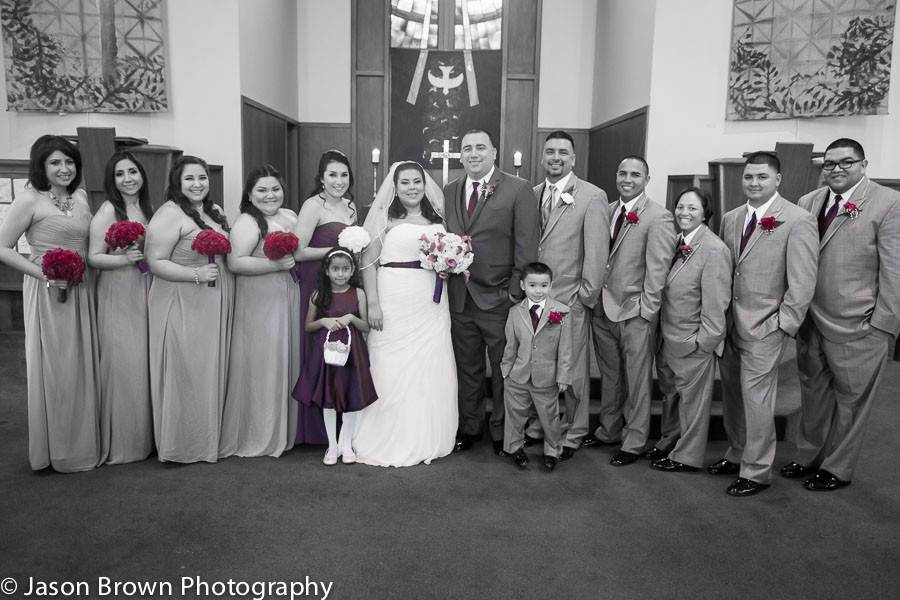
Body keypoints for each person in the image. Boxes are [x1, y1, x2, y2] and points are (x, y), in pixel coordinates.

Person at [780, 138, 900, 491]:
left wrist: (883, 326)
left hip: (859, 323)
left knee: (852, 402)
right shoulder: (808, 202)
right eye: (829, 164)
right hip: (811, 320)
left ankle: (837, 468)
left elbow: (895, 271)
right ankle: (808, 455)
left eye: (845, 162)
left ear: (864, 164)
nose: (836, 170)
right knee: (813, 394)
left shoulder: (888, 203)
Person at [709, 151, 818, 496]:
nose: (753, 183)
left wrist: (784, 324)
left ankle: (756, 471)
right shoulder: (730, 217)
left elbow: (802, 283)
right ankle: (737, 451)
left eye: (761, 177)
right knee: (732, 395)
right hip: (729, 324)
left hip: (766, 326)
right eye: (748, 177)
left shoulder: (797, 220)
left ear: (777, 180)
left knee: (757, 399)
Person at [0, 135, 101, 472]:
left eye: (69, 162)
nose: (64, 169)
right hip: (48, 290)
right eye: (55, 162)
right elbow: (3, 247)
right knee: (57, 366)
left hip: (82, 288)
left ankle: (83, 443)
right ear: (41, 165)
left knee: (81, 364)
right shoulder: (29, 200)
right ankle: (57, 449)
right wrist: (44, 274)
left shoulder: (81, 197)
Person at [353, 161, 458, 467]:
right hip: (393, 294)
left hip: (432, 300)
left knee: (431, 361)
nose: (412, 187)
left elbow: (447, 252)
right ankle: (386, 431)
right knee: (391, 362)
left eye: (417, 182)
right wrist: (373, 303)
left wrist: (450, 265)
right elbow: (368, 263)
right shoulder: (384, 218)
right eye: (405, 183)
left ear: (425, 186)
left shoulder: (438, 218)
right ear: (395, 188)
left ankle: (426, 433)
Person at [443, 129, 540, 455]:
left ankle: (503, 433)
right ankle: (470, 428)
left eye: (480, 148)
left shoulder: (517, 189)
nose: (473, 154)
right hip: (460, 297)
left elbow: (527, 246)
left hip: (499, 298)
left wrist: (514, 293)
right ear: (460, 155)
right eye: (467, 148)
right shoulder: (450, 189)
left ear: (494, 152)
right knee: (467, 368)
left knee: (503, 370)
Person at [583, 156, 676, 466]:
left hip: (635, 311)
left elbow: (658, 270)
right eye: (622, 172)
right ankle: (609, 428)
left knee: (637, 380)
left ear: (646, 179)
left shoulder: (658, 217)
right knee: (610, 376)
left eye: (635, 174)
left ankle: (634, 439)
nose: (627, 178)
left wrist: (646, 312)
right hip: (602, 309)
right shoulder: (606, 210)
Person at [145, 155, 233, 464]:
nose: (198, 184)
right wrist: (194, 274)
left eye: (203, 178)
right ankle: (180, 444)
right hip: (179, 299)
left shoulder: (215, 211)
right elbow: (154, 262)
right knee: (183, 370)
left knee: (205, 369)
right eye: (190, 179)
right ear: (177, 183)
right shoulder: (169, 214)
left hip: (211, 299)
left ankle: (205, 437)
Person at [526, 130, 608, 460]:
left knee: (572, 371)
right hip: (536, 298)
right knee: (539, 366)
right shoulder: (531, 194)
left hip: (571, 298)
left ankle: (573, 431)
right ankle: (538, 426)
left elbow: (597, 252)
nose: (555, 157)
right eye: (550, 152)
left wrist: (585, 297)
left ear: (573, 158)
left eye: (562, 152)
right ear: (542, 157)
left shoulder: (591, 196)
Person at [219, 165, 300, 459]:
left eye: (275, 189)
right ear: (250, 195)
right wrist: (275, 265)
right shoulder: (247, 222)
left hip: (285, 294)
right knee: (262, 363)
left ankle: (282, 429)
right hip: (259, 300)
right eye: (262, 190)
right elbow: (236, 263)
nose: (270, 195)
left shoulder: (290, 217)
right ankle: (257, 432)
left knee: (282, 358)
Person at [650, 188, 731, 473]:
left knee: (694, 404)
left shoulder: (714, 249)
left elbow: (716, 303)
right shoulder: (676, 241)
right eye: (681, 207)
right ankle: (669, 440)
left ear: (706, 213)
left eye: (692, 209)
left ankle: (687, 456)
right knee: (670, 394)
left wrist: (704, 343)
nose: (684, 213)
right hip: (667, 336)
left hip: (692, 340)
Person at [87, 151, 154, 464]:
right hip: (119, 289)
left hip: (146, 287)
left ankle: (146, 436)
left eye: (132, 172)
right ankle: (125, 443)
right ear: (111, 181)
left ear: (141, 174)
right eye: (119, 174)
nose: (128, 179)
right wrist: (122, 259)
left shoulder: (147, 208)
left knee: (144, 361)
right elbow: (93, 256)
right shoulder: (107, 211)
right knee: (124, 363)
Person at [291, 150, 358, 446]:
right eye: (332, 174)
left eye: (344, 175)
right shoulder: (312, 206)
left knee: (343, 346)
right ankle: (315, 428)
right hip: (316, 281)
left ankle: (342, 423)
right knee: (319, 346)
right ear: (321, 178)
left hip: (342, 282)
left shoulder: (351, 207)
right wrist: (337, 251)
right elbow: (298, 251)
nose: (338, 181)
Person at [296, 247, 377, 465]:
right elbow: (308, 326)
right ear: (327, 271)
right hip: (326, 354)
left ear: (352, 271)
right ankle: (332, 446)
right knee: (328, 399)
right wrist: (323, 321)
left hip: (352, 353)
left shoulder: (358, 293)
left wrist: (351, 317)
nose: (340, 274)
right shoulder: (318, 294)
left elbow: (366, 326)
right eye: (335, 269)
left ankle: (346, 444)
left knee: (350, 395)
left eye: (345, 269)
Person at [502, 262, 572, 472]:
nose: (538, 290)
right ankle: (515, 448)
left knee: (549, 418)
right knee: (514, 415)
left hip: (547, 377)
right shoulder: (515, 312)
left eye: (544, 285)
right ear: (523, 285)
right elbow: (511, 345)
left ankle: (553, 451)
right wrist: (507, 371)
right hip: (518, 375)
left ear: (551, 286)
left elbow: (566, 349)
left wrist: (564, 376)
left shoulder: (562, 312)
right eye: (533, 285)